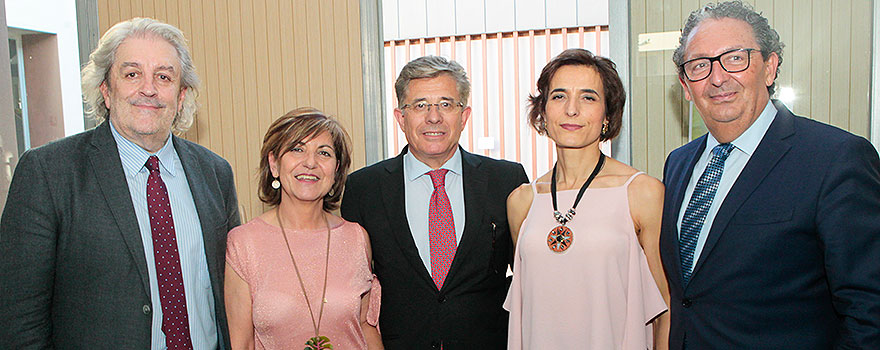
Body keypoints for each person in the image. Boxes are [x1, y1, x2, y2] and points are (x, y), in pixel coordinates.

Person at [0, 17, 241, 349]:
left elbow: (232, 298)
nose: (149, 89)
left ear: (181, 95)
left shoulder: (215, 173)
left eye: (164, 77)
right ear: (106, 90)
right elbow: (19, 321)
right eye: (132, 74)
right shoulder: (48, 173)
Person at [661, 1, 880, 348]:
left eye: (735, 58)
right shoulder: (677, 165)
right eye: (699, 65)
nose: (717, 78)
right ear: (686, 85)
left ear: (769, 67)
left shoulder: (835, 159)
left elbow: (870, 310)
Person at [341, 56, 529, 349]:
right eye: (420, 105)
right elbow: (351, 291)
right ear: (401, 118)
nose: (433, 117)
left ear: (464, 116)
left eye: (445, 104)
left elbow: (529, 277)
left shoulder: (506, 180)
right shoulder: (364, 188)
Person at [503, 48, 669, 349]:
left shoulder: (641, 192)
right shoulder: (522, 202)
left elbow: (665, 306)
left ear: (607, 114)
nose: (571, 110)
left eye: (588, 97)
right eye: (559, 96)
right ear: (543, 110)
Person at [225, 107, 383, 350]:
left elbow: (366, 326)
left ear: (336, 170)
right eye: (297, 149)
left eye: (324, 153)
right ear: (274, 164)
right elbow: (241, 343)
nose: (310, 162)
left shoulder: (356, 238)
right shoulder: (243, 244)